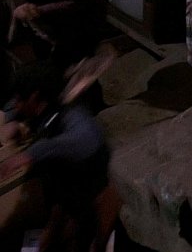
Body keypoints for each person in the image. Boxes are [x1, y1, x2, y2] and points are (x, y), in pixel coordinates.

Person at [0, 60, 117, 252]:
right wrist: (11, 121)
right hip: (63, 186)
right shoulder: (40, 104)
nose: (16, 105)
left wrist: (31, 153)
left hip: (90, 179)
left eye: (20, 100)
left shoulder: (72, 116)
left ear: (34, 98)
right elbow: (12, 107)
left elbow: (85, 139)